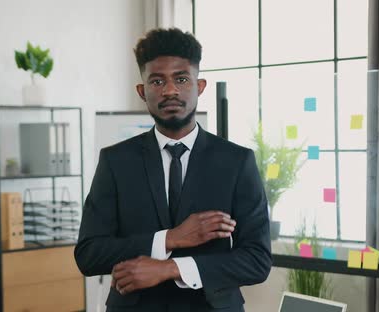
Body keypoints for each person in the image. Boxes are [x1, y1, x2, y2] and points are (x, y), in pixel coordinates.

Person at [75, 27, 272, 312]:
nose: (170, 90)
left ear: (199, 86)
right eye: (157, 81)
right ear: (142, 92)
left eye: (181, 79)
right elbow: (88, 255)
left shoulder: (237, 162)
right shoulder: (116, 161)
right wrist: (169, 238)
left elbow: (257, 260)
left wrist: (170, 269)